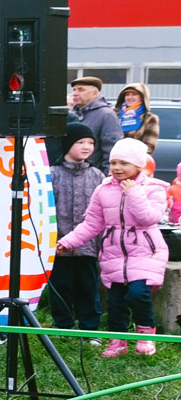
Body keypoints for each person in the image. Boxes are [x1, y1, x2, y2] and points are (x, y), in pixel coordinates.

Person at [57, 138, 169, 357]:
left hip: (145, 252)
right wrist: (68, 241)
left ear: (138, 166)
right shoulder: (104, 190)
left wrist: (133, 193)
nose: (117, 168)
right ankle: (118, 340)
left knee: (138, 294)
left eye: (124, 163)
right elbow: (91, 223)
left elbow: (149, 217)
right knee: (116, 301)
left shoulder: (154, 189)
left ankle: (146, 333)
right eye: (113, 163)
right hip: (114, 254)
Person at [49, 123, 105, 334]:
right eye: (80, 142)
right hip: (60, 244)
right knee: (61, 286)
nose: (86, 147)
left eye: (90, 142)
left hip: (88, 246)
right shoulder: (53, 174)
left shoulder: (97, 176)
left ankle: (90, 327)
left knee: (88, 288)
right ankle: (62, 326)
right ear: (67, 144)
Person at [68, 77, 123, 171]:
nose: (75, 93)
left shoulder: (106, 115)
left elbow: (111, 149)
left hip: (94, 175)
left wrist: (107, 178)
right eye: (74, 90)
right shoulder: (73, 114)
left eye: (81, 90)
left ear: (95, 93)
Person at [118, 83, 161, 153]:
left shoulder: (149, 118)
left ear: (142, 97)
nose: (129, 97)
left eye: (134, 94)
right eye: (127, 95)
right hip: (112, 160)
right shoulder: (115, 114)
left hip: (134, 160)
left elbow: (149, 146)